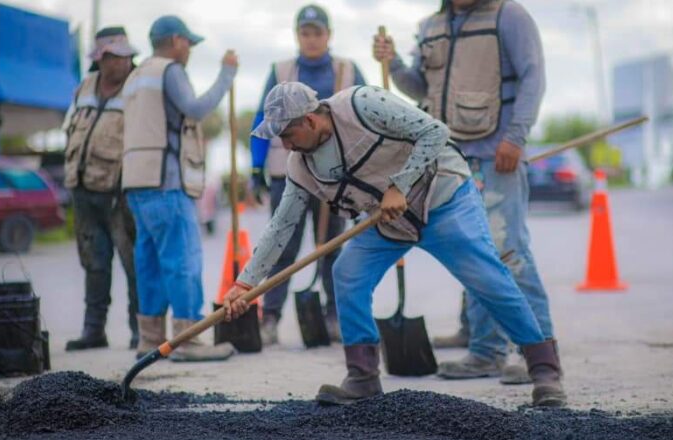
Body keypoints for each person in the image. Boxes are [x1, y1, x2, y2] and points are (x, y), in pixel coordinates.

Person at [223, 82, 565, 407]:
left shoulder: (363, 104)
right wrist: (245, 284)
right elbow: (280, 226)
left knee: (489, 279)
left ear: (310, 120)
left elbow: (435, 132)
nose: (284, 145)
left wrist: (400, 185)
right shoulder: (300, 166)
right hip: (388, 220)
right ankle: (362, 377)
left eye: (286, 134)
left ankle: (545, 371)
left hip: (443, 199)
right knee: (347, 272)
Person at [373, 0, 558, 388]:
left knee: (510, 251)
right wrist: (395, 66)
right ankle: (486, 352)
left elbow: (533, 78)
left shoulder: (510, 16)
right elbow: (422, 89)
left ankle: (538, 354)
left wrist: (516, 137)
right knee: (475, 251)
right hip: (450, 159)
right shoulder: (431, 26)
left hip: (498, 156)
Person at [121, 15, 237, 362]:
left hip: (136, 183)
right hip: (166, 182)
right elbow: (196, 108)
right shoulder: (169, 71)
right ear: (176, 41)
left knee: (150, 262)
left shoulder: (136, 75)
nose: (189, 50)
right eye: (189, 43)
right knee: (182, 260)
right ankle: (187, 339)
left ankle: (149, 340)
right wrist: (227, 74)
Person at [250, 4, 367, 346]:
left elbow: (361, 116)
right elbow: (262, 117)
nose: (312, 39)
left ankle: (334, 316)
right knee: (282, 243)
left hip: (335, 177)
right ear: (297, 35)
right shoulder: (281, 69)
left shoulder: (347, 70)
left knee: (332, 247)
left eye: (318, 33)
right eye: (305, 33)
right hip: (287, 172)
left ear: (328, 35)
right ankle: (269, 318)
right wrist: (256, 168)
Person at [63, 27, 139, 351]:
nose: (117, 63)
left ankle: (141, 330)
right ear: (100, 58)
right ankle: (94, 330)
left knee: (133, 263)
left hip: (119, 193)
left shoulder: (138, 88)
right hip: (83, 189)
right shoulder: (85, 87)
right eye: (109, 57)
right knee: (93, 263)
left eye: (122, 56)